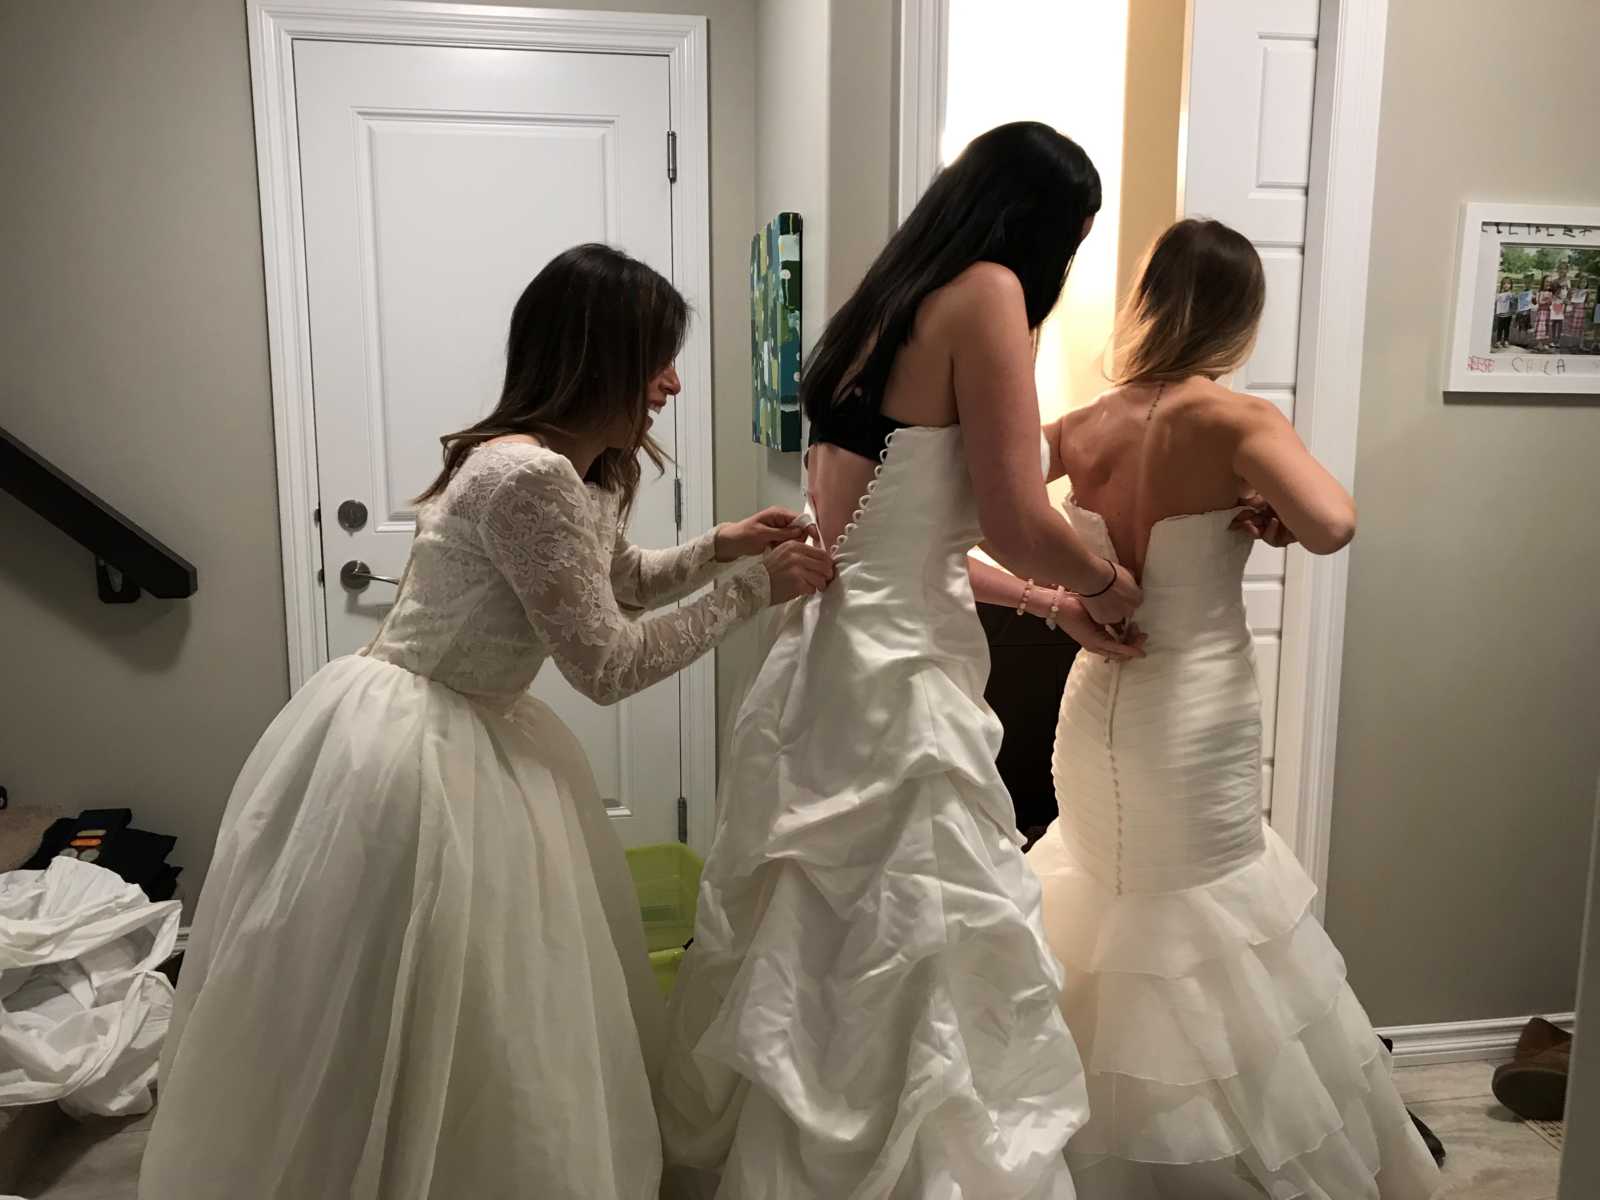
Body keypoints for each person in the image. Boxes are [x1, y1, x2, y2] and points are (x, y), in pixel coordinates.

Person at [139, 244, 835, 1200]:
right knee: (411, 987)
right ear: (598, 356)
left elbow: (617, 581)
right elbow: (607, 665)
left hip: (480, 726)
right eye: (657, 358)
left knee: (481, 1002)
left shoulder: (582, 470)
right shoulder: (524, 478)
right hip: (417, 740)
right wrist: (754, 590)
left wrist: (720, 547)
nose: (672, 381)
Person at [658, 122, 1141, 1200]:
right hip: (902, 684)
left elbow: (877, 549)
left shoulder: (884, 302)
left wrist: (1046, 606)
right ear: (1044, 226)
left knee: (815, 954)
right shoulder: (986, 295)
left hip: (829, 660)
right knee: (914, 946)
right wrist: (1106, 588)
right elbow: (1017, 518)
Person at [1024, 219, 1444, 1198]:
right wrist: (1269, 509)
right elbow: (1333, 523)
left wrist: (1061, 599)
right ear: (1239, 315)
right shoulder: (1235, 421)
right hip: (1194, 711)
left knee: (1104, 911)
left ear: (1146, 303)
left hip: (1095, 706)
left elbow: (977, 517)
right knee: (1204, 932)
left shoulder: (1080, 425)